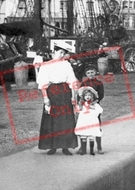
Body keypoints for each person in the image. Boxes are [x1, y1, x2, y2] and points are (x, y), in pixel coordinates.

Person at [37, 41, 78, 155]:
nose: (62, 55)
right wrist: (46, 98)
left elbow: (72, 81)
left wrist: (73, 97)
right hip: (52, 92)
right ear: (54, 51)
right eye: (60, 52)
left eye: (64, 53)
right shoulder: (46, 65)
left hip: (65, 92)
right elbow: (43, 84)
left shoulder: (66, 64)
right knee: (51, 119)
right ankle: (52, 146)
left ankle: (66, 146)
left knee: (66, 119)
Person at [77, 64, 104, 154]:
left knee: (96, 126)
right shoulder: (84, 83)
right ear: (86, 74)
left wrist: (93, 102)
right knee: (83, 126)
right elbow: (80, 95)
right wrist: (82, 103)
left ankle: (99, 147)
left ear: (95, 72)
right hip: (84, 106)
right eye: (88, 73)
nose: (90, 74)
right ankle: (82, 147)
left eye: (92, 72)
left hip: (94, 105)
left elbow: (101, 95)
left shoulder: (99, 83)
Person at [74, 86, 103, 155]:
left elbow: (100, 110)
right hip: (83, 121)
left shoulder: (95, 104)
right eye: (86, 95)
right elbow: (77, 110)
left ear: (92, 97)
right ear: (83, 97)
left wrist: (93, 108)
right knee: (83, 133)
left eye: (89, 95)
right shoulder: (82, 104)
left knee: (91, 134)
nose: (87, 97)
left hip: (91, 120)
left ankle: (92, 150)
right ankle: (83, 150)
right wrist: (78, 108)